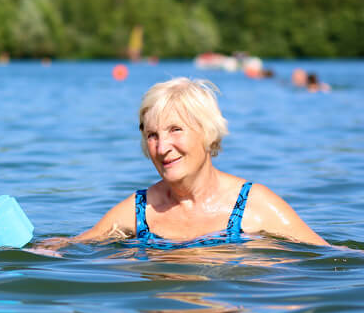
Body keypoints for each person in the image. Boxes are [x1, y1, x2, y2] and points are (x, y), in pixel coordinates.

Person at [74, 77, 327, 247]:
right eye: (152, 135)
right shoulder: (139, 209)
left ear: (207, 132)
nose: (162, 148)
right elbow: (71, 249)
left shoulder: (254, 204)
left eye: (175, 130)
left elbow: (330, 258)